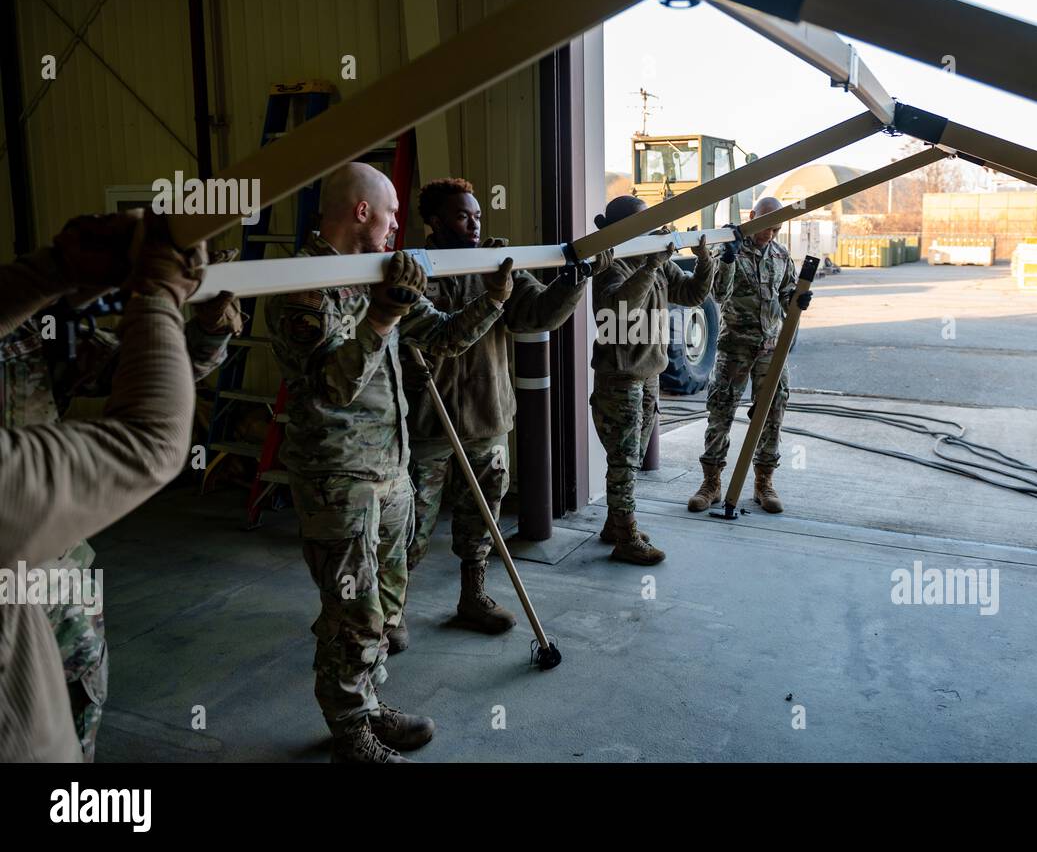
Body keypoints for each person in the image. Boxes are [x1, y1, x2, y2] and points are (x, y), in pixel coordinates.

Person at [265, 162, 508, 763]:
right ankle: (350, 731)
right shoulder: (304, 283)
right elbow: (330, 387)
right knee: (354, 611)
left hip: (391, 468)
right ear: (360, 211)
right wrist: (381, 316)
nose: (400, 223)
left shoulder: (382, 272)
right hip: (337, 476)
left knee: (387, 603)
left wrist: (494, 301)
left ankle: (368, 705)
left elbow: (444, 336)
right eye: (392, 212)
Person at [0, 251, 241, 762]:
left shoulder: (28, 326)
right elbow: (151, 436)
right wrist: (155, 298)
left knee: (75, 721)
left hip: (57, 580)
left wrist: (203, 329)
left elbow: (143, 371)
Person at [399, 178, 613, 640]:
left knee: (482, 522)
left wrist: (574, 280)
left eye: (477, 214)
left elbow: (538, 314)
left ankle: (472, 598)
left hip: (486, 417)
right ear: (434, 222)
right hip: (427, 425)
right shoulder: (417, 271)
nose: (474, 224)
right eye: (462, 216)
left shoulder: (497, 264)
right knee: (409, 528)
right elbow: (425, 336)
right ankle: (391, 615)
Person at [590, 195, 716, 564]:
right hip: (621, 378)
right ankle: (625, 536)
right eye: (644, 222)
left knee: (634, 453)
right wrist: (651, 266)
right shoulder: (611, 266)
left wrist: (704, 260)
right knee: (624, 459)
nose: (654, 228)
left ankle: (616, 524)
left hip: (648, 375)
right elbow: (618, 310)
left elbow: (692, 294)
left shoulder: (656, 263)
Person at [689, 196, 807, 514]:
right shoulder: (729, 248)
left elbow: (786, 296)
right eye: (766, 226)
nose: (770, 233)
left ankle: (763, 483)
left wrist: (799, 299)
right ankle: (711, 484)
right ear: (752, 216)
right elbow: (718, 294)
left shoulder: (782, 255)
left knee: (772, 417)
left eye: (776, 229)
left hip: (771, 350)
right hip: (735, 349)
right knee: (721, 414)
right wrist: (726, 259)